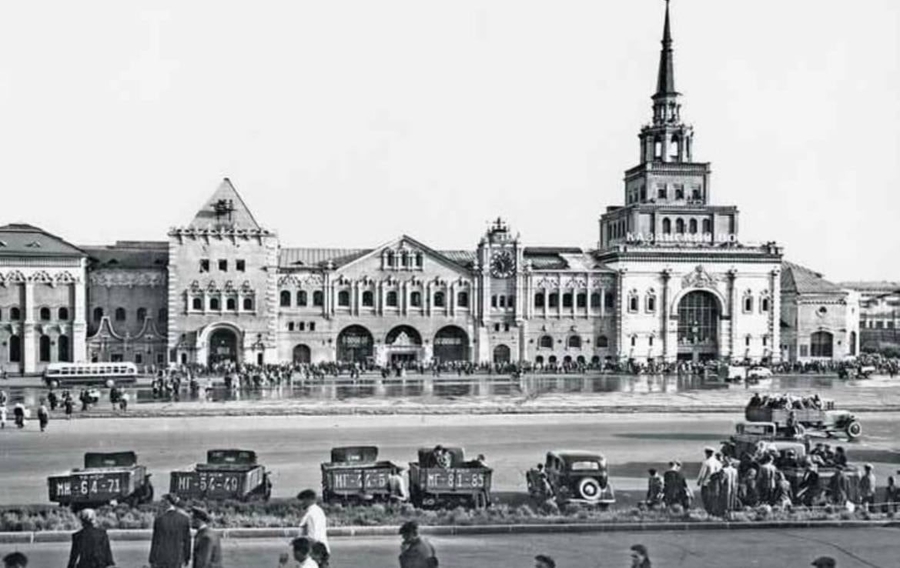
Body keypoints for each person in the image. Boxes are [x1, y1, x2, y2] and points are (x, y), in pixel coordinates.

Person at [149, 494, 192, 568]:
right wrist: (187, 557)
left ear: (168, 502)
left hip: (161, 557)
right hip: (177, 557)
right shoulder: (184, 519)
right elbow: (187, 541)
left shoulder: (159, 520)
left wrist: (152, 559)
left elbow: (155, 541)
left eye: (162, 501)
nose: (161, 504)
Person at [297, 489, 330, 567]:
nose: (301, 503)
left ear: (308, 500)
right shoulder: (319, 511)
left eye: (303, 500)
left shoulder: (311, 514)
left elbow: (313, 535)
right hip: (322, 549)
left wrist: (311, 553)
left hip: (316, 551)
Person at [697, 447, 722, 513]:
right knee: (713, 499)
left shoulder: (706, 462)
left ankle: (708, 511)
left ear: (706, 453)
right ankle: (713, 511)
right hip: (715, 483)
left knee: (706, 499)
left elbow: (702, 474)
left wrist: (699, 481)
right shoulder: (718, 463)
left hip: (706, 484)